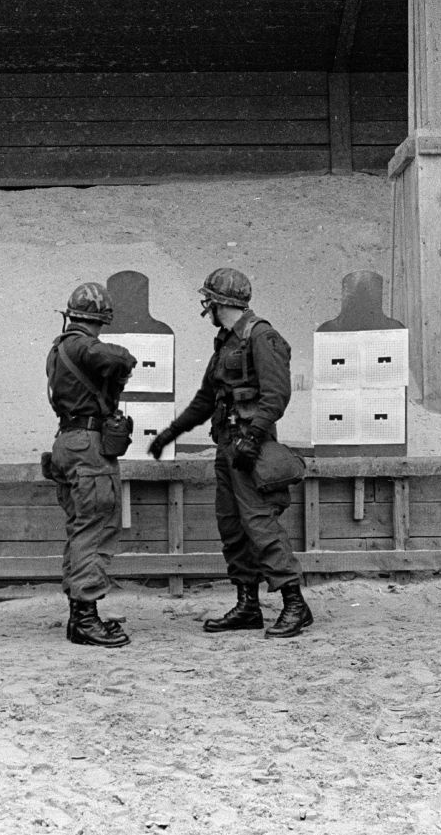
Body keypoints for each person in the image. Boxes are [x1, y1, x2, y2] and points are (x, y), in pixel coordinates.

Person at [147, 268, 312, 639]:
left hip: (250, 448)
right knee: (232, 527)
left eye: (209, 301)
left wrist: (252, 438)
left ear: (220, 303)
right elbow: (207, 398)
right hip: (227, 445)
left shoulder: (261, 336)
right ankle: (248, 606)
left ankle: (294, 604)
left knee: (260, 525)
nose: (206, 308)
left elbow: (276, 396)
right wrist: (171, 433)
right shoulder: (226, 341)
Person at [45, 282, 138, 648]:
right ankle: (86, 618)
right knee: (94, 530)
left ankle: (78, 616)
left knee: (81, 527)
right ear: (102, 318)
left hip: (68, 442)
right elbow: (119, 359)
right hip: (89, 448)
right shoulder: (83, 345)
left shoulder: (60, 347)